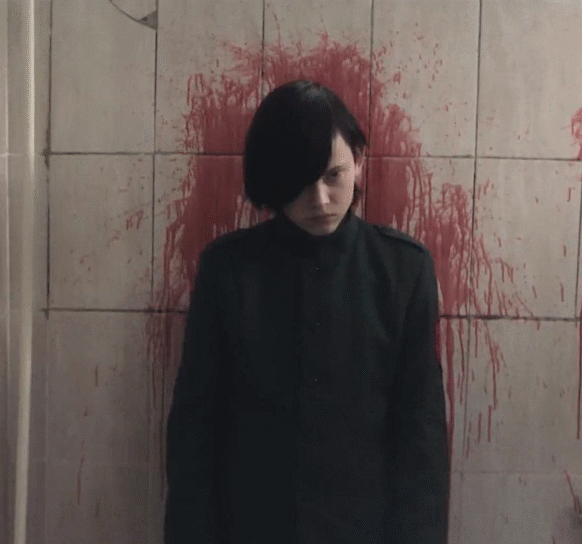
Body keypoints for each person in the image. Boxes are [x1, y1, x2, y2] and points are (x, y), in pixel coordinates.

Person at [163, 80, 450, 544]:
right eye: (298, 182)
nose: (319, 200)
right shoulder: (229, 270)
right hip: (249, 527)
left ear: (359, 159)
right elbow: (195, 429)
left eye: (333, 175)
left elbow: (422, 437)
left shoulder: (403, 270)